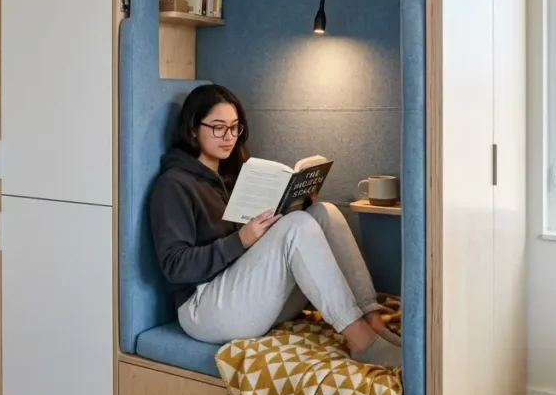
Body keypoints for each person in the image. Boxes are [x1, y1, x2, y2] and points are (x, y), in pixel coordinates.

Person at [149, 84, 401, 367]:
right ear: (193, 129)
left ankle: (374, 323)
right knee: (296, 227)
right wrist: (242, 239)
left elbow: (261, 251)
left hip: (247, 296)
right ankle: (361, 341)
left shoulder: (232, 176)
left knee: (322, 212)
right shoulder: (173, 185)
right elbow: (175, 266)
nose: (229, 137)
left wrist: (297, 202)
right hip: (203, 308)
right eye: (218, 128)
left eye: (235, 127)